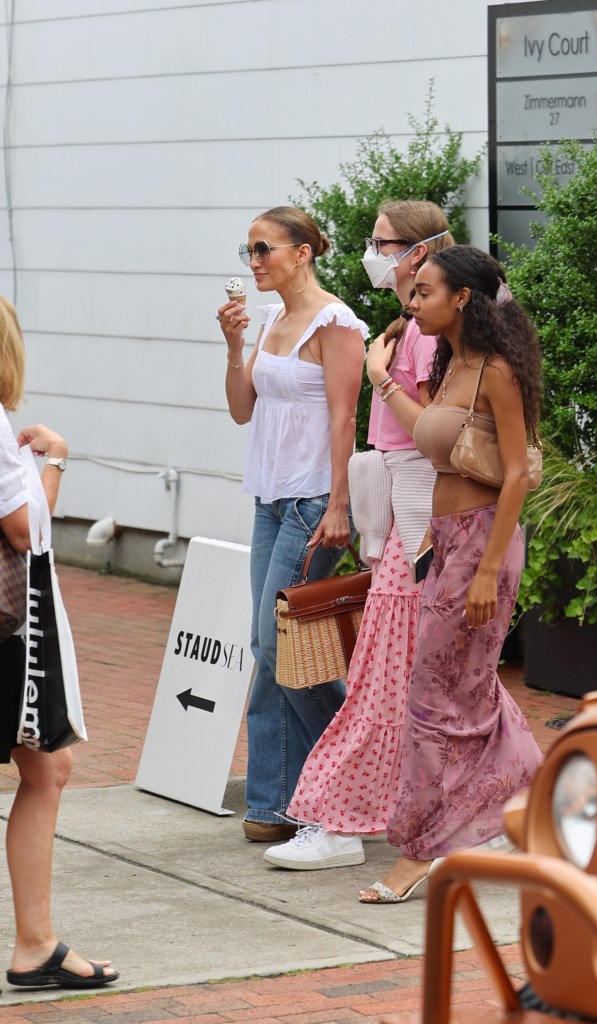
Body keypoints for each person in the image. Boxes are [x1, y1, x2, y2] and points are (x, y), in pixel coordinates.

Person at [262, 200, 453, 870]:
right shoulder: (410, 322)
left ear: (420, 249)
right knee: (417, 677)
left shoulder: (428, 331)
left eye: (382, 243)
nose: (371, 253)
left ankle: (339, 819)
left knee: (381, 674)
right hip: (402, 517)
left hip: (420, 517)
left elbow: (435, 430)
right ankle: (484, 806)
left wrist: (379, 377)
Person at [358, 245, 544, 903]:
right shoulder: (447, 362)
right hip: (446, 544)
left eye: (424, 292)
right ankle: (537, 795)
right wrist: (381, 378)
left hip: (483, 550)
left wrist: (486, 570)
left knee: (434, 699)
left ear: (462, 297)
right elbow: (431, 436)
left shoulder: (496, 371)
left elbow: (519, 471)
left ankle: (423, 847)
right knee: (463, 689)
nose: (412, 304)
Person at [218, 206, 368, 842]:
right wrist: (233, 346)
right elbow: (241, 410)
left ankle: (358, 762)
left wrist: (339, 504)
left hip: (312, 500)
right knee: (266, 645)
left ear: (302, 253)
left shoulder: (337, 322)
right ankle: (272, 804)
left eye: (263, 249)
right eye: (248, 250)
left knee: (281, 645)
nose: (253, 261)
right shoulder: (276, 317)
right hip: (271, 499)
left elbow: (344, 420)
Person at [0, 298, 119, 988]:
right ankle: (35, 945)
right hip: (9, 625)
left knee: (49, 769)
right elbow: (23, 527)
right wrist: (57, 463)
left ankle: (37, 943)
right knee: (48, 768)